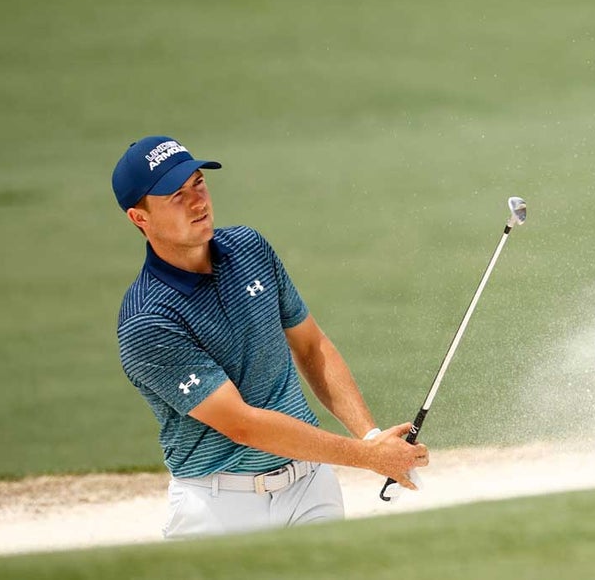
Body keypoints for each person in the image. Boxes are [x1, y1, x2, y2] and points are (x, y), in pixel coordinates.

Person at [112, 135, 426, 538]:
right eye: (176, 195)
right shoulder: (148, 320)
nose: (198, 202)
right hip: (220, 507)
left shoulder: (249, 248)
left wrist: (370, 436)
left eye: (198, 184)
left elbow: (312, 346)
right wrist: (366, 457)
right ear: (140, 218)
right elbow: (243, 425)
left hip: (311, 488)